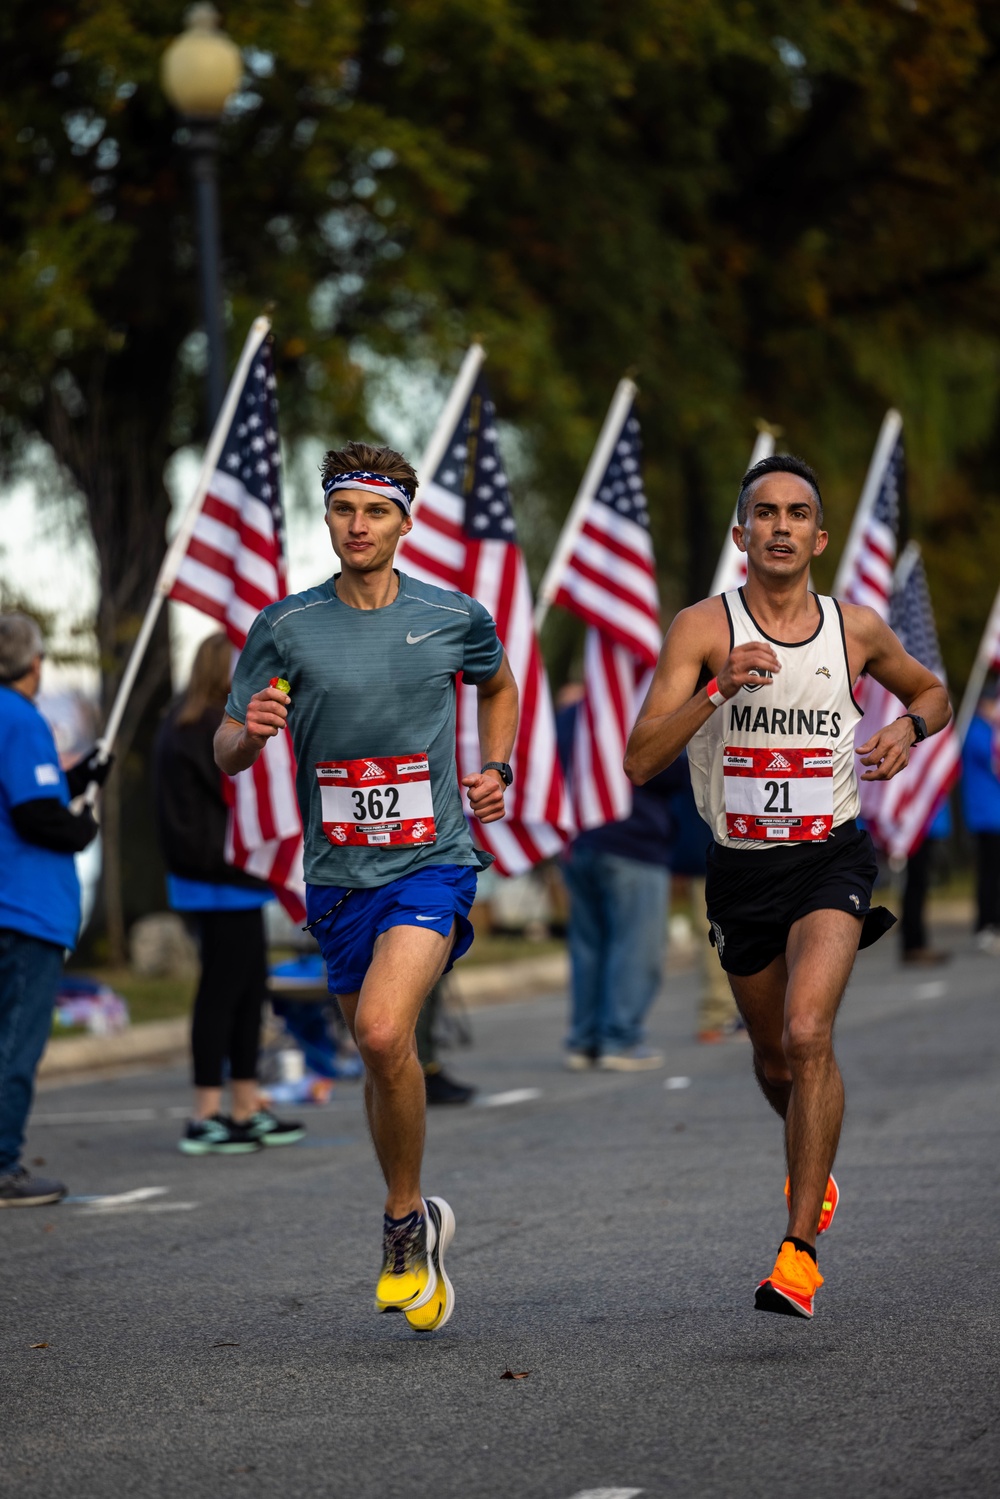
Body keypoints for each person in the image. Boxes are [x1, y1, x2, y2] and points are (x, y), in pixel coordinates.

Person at [625, 454, 951, 1319]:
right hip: (741, 869)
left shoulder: (855, 629)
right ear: (741, 534)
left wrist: (909, 730)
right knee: (775, 1058)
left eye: (797, 512)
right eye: (764, 513)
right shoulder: (701, 627)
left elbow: (934, 689)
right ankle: (815, 1163)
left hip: (829, 857)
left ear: (820, 535)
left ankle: (798, 1250)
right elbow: (639, 756)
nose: (780, 526)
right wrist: (711, 689)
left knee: (810, 1032)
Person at [214, 441, 518, 1332]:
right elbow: (226, 751)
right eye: (346, 509)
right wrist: (253, 730)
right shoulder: (286, 626)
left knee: (385, 1028)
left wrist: (494, 764)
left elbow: (500, 686)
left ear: (404, 522)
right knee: (379, 1054)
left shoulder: (452, 614)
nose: (359, 525)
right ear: (329, 517)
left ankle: (399, 1220)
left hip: (432, 861)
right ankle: (415, 1210)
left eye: (376, 511)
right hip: (338, 875)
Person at [154, 632, 304, 1155]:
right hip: (214, 880)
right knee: (220, 995)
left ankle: (244, 1102)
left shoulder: (199, 721)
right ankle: (205, 1113)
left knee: (248, 994)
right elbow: (196, 820)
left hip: (238, 879)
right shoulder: (194, 727)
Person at [0, 612, 107, 1206]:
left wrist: (82, 775)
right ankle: (2, 1163)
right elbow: (35, 814)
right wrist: (81, 828)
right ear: (33, 663)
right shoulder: (20, 716)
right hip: (23, 908)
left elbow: (28, 790)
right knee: (15, 1044)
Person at [555, 684, 683, 1070]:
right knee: (635, 945)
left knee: (589, 945)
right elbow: (670, 773)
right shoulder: (643, 712)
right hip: (633, 841)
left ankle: (585, 1039)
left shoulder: (571, 714)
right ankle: (619, 1038)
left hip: (579, 841)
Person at [961, 688, 1000, 954]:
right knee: (990, 874)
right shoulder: (977, 731)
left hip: (992, 813)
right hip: (987, 816)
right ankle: (987, 923)